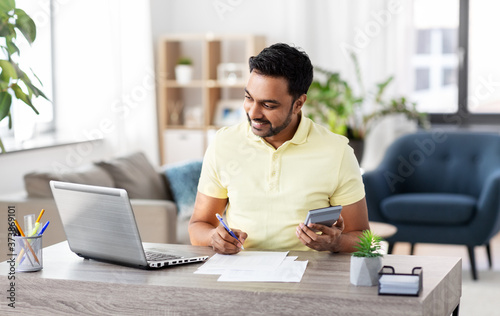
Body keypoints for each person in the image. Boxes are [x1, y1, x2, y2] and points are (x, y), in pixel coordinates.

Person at [188, 43, 370, 254]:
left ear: (298, 104)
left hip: (307, 277)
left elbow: (363, 239)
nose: (253, 113)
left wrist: (336, 243)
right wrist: (213, 237)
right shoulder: (224, 143)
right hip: (239, 273)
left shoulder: (337, 152)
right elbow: (198, 226)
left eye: (268, 105)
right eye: (248, 98)